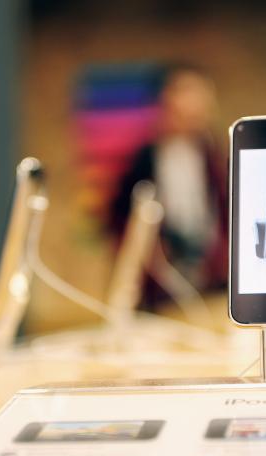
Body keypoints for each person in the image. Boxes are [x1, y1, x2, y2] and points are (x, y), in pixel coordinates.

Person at [109, 63, 227, 307]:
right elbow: (120, 220)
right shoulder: (142, 160)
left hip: (212, 280)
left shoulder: (214, 158)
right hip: (160, 284)